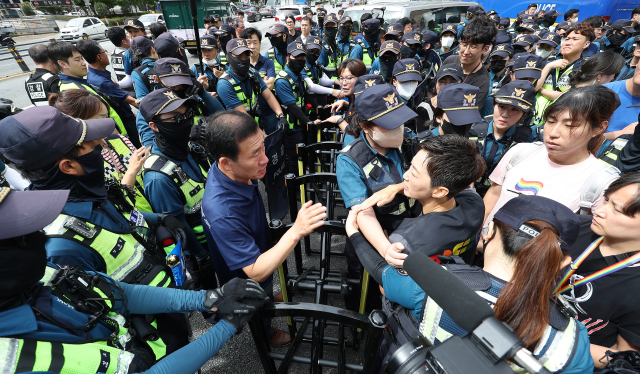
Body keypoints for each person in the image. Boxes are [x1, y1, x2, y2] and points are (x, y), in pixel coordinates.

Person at [0, 187, 271, 374]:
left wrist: (208, 298)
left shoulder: (43, 276)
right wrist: (226, 327)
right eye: (18, 235)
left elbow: (120, 294)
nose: (38, 236)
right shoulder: (9, 359)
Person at [0, 106, 196, 356]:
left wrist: (156, 219)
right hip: (155, 347)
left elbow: (119, 220)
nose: (103, 146)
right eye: (92, 146)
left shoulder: (89, 189)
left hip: (172, 311)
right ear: (69, 166)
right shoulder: (62, 245)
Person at [348, 191, 593, 373]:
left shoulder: (433, 283)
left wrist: (354, 233)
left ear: (488, 233)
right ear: (564, 262)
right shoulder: (573, 338)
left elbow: (382, 273)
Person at [202, 110, 328, 346]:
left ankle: (267, 298)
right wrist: (296, 231)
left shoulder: (235, 171)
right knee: (254, 298)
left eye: (263, 145)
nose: (266, 158)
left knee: (265, 289)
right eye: (254, 154)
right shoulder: (222, 211)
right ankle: (266, 333)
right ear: (226, 163)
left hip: (256, 245)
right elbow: (256, 270)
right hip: (245, 277)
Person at [483, 85, 621, 234]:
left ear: (598, 128)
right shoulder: (520, 152)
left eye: (570, 125)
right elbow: (494, 193)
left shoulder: (601, 182)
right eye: (550, 121)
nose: (553, 133)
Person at [335, 83, 418, 311]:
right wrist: (384, 249)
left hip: (410, 229)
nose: (399, 129)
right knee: (366, 292)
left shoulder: (410, 143)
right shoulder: (351, 159)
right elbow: (362, 210)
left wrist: (398, 187)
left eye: (400, 121)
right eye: (389, 125)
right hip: (375, 236)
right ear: (366, 127)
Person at [351, 133, 485, 268]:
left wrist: (355, 234)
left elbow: (386, 288)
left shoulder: (405, 242)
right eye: (409, 166)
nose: (405, 175)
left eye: (413, 173)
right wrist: (395, 188)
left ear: (439, 191)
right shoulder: (475, 202)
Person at [138, 88, 218, 292]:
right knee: (211, 298)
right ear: (154, 126)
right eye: (175, 118)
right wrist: (201, 256)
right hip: (200, 248)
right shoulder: (159, 177)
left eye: (186, 114)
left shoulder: (190, 148)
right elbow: (178, 226)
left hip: (219, 234)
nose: (185, 121)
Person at [565, 172, 640, 367]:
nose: (599, 210)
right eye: (606, 199)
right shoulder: (574, 227)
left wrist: (552, 344)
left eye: (617, 209)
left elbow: (626, 358)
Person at [50, 89, 155, 218]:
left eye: (107, 116)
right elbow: (113, 205)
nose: (109, 123)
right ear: (77, 123)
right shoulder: (81, 163)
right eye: (101, 119)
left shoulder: (119, 140)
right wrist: (131, 171)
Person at [274, 41, 342, 173]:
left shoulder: (298, 75)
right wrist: (309, 122)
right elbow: (292, 106)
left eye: (302, 57)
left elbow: (306, 95)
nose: (300, 60)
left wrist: (319, 107)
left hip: (300, 124)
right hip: (291, 128)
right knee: (293, 160)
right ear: (288, 58)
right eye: (296, 57)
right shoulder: (282, 80)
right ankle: (296, 191)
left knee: (303, 156)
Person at [470, 81, 539, 196]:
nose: (505, 114)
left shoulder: (527, 138)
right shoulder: (474, 129)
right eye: (502, 107)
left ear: (524, 114)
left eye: (515, 109)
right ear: (494, 104)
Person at [137, 58, 225, 147]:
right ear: (156, 79)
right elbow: (150, 147)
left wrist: (203, 93)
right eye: (172, 85)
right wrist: (187, 138)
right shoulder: (148, 108)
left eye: (181, 84)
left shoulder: (191, 95)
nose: (177, 89)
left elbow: (222, 116)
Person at [47, 40, 128, 138]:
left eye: (82, 58)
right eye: (77, 60)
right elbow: (96, 122)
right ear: (63, 64)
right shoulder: (74, 90)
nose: (83, 63)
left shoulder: (76, 84)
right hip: (114, 140)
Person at [78, 39, 141, 148]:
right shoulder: (102, 82)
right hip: (124, 122)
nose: (107, 55)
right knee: (136, 149)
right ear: (99, 57)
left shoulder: (94, 75)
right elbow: (131, 101)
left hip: (124, 117)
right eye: (104, 52)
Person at [216, 38, 286, 135]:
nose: (243, 60)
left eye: (246, 56)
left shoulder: (252, 74)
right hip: (236, 133)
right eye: (239, 57)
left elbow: (269, 96)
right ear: (229, 57)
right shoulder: (224, 84)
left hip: (253, 127)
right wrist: (264, 137)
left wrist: (281, 116)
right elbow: (244, 116)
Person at [533, 23, 595, 126]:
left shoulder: (585, 69)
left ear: (586, 44)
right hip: (532, 120)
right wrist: (548, 67)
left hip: (556, 124)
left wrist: (541, 90)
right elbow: (533, 87)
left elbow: (567, 98)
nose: (568, 42)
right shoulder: (548, 62)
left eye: (575, 39)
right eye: (567, 39)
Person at [443, 16, 495, 111]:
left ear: (485, 49)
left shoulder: (482, 81)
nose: (466, 52)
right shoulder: (450, 61)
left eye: (473, 47)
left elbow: (468, 114)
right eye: (464, 45)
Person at [327, 58, 367, 145]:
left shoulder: (364, 101)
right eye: (341, 78)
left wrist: (339, 120)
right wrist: (345, 103)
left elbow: (356, 133)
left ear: (361, 78)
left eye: (349, 78)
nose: (344, 83)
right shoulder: (353, 97)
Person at [481, 43, 514, 116]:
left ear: (510, 60)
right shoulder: (482, 78)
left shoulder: (513, 78)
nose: (497, 61)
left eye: (501, 58)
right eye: (494, 58)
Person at [106, 26, 135, 96]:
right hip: (134, 89)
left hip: (123, 90)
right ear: (124, 41)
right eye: (127, 37)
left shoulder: (113, 54)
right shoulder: (128, 55)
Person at [130, 36, 160, 100]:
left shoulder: (137, 73)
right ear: (152, 49)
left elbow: (142, 101)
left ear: (136, 56)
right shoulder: (167, 64)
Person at [319, 13, 341, 78]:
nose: (330, 27)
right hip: (327, 85)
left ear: (337, 26)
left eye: (333, 25)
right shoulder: (322, 48)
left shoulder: (335, 44)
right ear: (323, 27)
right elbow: (320, 73)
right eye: (327, 25)